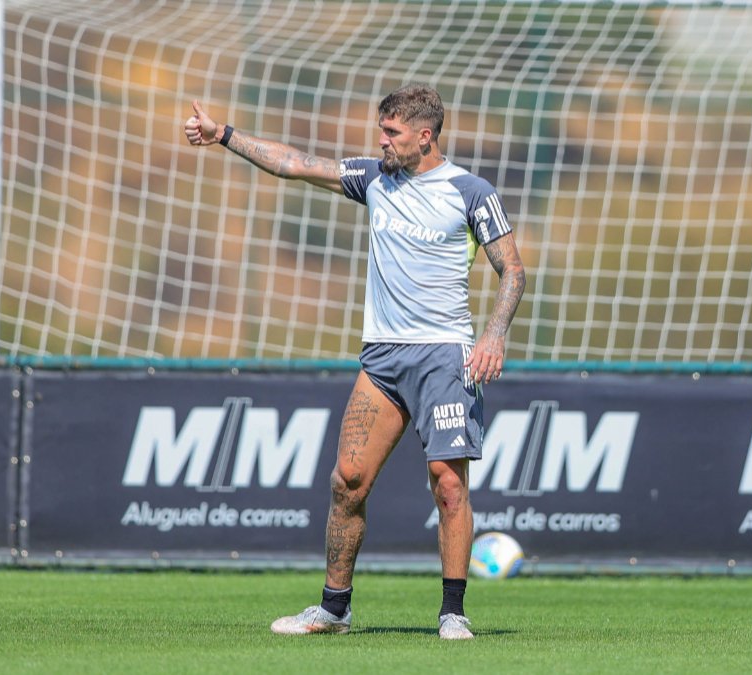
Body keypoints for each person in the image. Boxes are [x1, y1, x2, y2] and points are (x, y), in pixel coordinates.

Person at [183, 85, 525, 640]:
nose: (381, 141)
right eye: (381, 130)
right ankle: (333, 610)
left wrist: (493, 335)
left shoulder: (470, 190)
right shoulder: (374, 178)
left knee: (448, 486)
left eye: (391, 133)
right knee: (349, 481)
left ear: (424, 136)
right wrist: (223, 135)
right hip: (383, 356)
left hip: (445, 356)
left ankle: (453, 613)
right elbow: (295, 165)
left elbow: (512, 269)